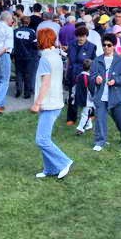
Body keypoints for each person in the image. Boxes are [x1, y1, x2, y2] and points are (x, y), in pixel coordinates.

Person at [31, 29, 74, 179]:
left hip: (49, 103)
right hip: (56, 100)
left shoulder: (45, 58)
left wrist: (37, 103)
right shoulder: (56, 55)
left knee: (41, 139)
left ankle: (64, 162)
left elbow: (45, 83)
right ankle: (50, 169)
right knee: (45, 138)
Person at [89, 33, 121, 151]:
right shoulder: (97, 60)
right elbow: (92, 75)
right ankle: (100, 141)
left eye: (109, 45)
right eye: (104, 45)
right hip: (101, 95)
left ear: (113, 46)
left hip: (116, 95)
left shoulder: (120, 61)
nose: (106, 47)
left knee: (120, 118)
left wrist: (115, 80)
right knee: (100, 119)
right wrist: (96, 78)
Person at [64, 25, 97, 126]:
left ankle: (91, 114)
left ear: (86, 36)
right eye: (79, 36)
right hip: (72, 73)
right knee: (72, 96)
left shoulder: (92, 46)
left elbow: (94, 62)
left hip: (85, 74)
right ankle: (71, 118)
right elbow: (69, 60)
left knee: (88, 95)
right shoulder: (71, 44)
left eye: (83, 36)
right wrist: (66, 73)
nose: (81, 38)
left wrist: (93, 76)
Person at [13, 16, 38, 100]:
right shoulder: (32, 32)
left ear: (21, 22)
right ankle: (27, 93)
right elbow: (35, 45)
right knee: (27, 74)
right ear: (29, 22)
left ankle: (18, 89)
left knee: (18, 73)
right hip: (28, 55)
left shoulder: (15, 31)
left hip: (18, 55)